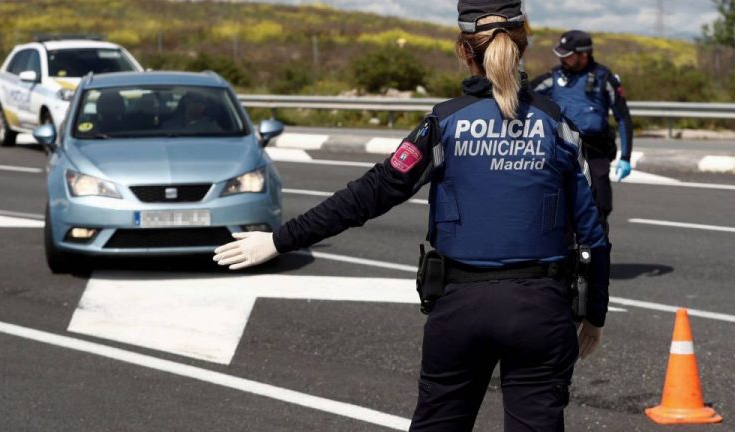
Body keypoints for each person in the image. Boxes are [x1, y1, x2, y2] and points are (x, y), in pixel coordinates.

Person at [213, 1, 610, 430]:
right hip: (541, 310)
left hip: (460, 309)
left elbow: (370, 194)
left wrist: (279, 240)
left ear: (464, 49)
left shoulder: (443, 123)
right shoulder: (557, 124)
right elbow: (594, 234)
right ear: (523, 43)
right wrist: (595, 313)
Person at [530, 30, 633, 234]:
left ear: (583, 55)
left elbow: (623, 118)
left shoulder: (605, 79)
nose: (561, 59)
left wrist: (626, 157)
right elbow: (523, 96)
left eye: (567, 55)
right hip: (563, 152)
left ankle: (598, 258)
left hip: (595, 152)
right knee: (561, 208)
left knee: (600, 207)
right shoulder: (553, 78)